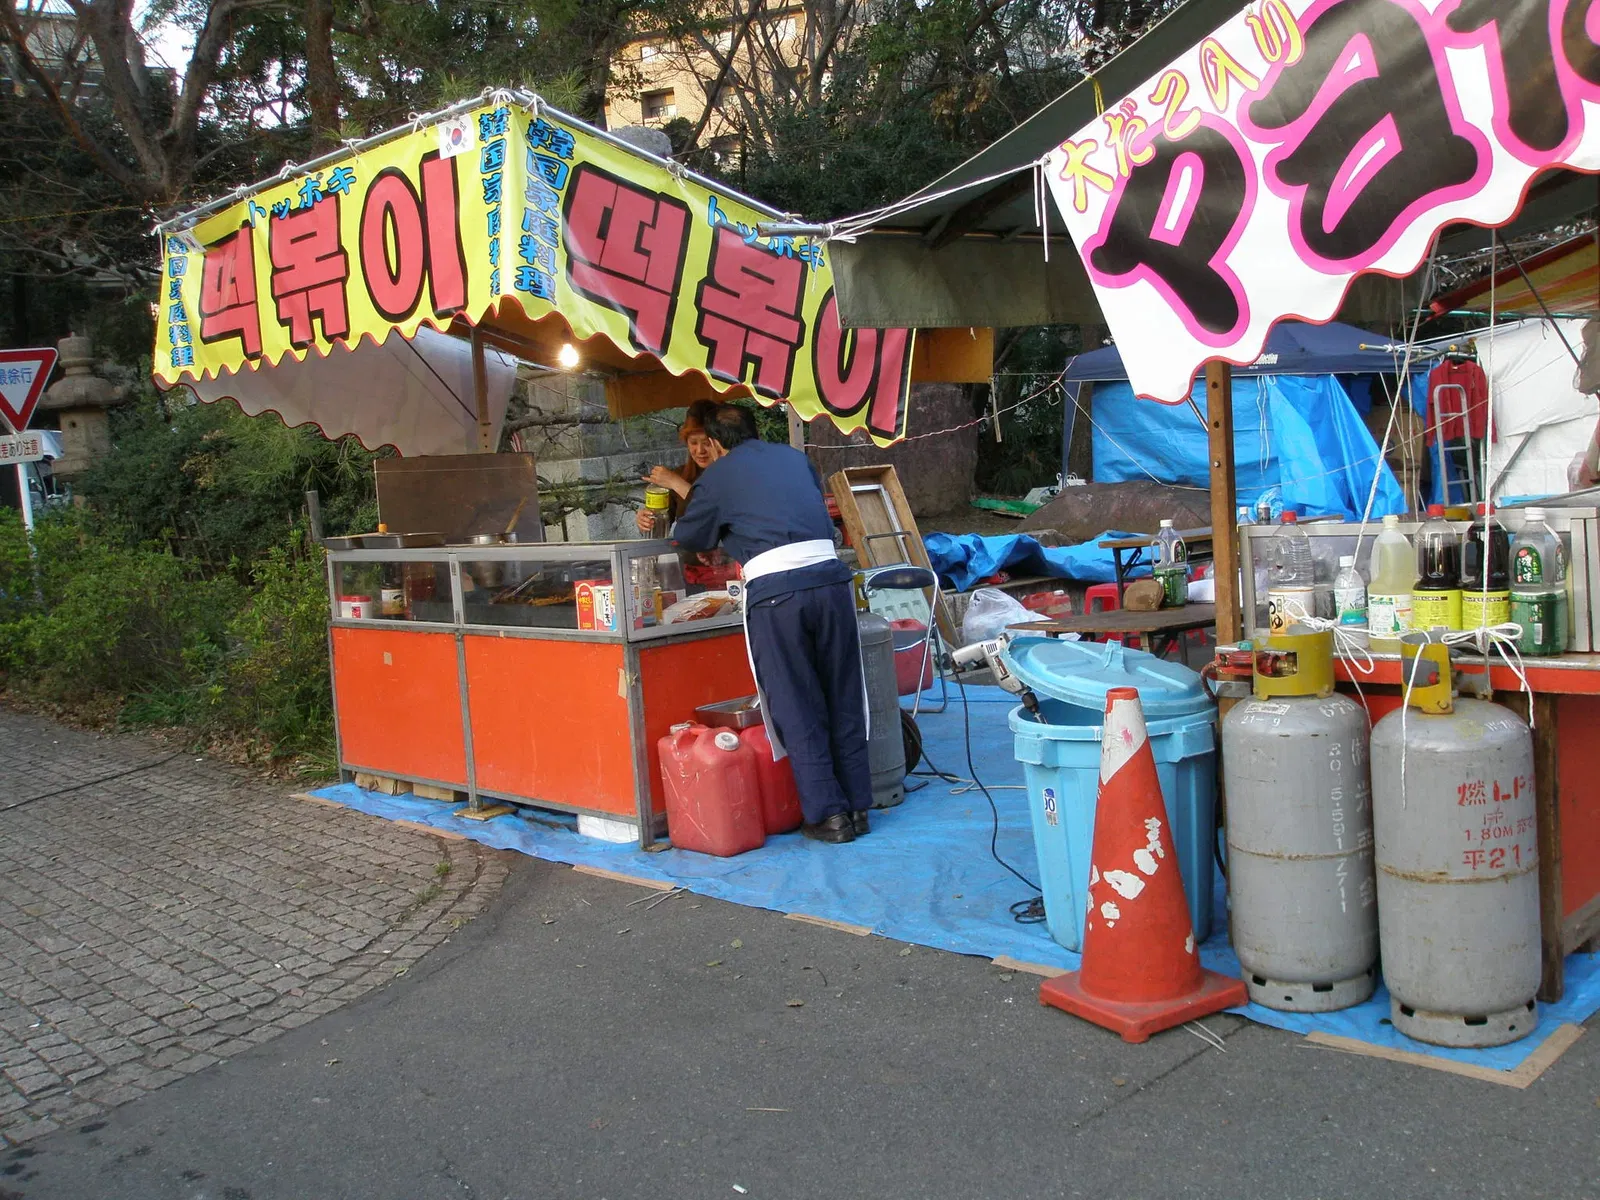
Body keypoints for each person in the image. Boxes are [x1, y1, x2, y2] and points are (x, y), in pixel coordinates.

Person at [671, 404, 871, 844]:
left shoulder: (718, 476)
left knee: (797, 701)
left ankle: (828, 815)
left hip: (779, 594)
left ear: (719, 442)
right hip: (832, 581)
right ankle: (858, 806)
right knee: (842, 693)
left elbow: (689, 536)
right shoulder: (793, 458)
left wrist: (718, 539)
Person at [634, 400, 721, 533]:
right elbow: (660, 529)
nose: (700, 450)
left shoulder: (731, 474)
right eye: (693, 443)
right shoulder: (681, 473)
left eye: (706, 443)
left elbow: (716, 513)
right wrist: (646, 521)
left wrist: (676, 483)